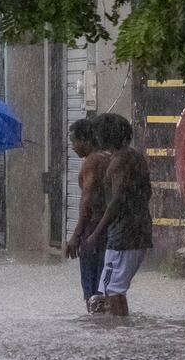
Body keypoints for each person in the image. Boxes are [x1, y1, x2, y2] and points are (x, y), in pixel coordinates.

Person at [82, 113, 153, 317]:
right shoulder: (135, 157)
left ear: (104, 135)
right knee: (113, 289)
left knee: (112, 289)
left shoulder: (119, 162)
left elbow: (116, 201)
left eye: (96, 133)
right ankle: (122, 335)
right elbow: (147, 192)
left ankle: (121, 336)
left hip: (123, 236)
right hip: (138, 230)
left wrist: (96, 234)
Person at [63, 118, 110, 310]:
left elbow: (88, 199)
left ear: (87, 140)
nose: (73, 146)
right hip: (107, 229)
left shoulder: (92, 162)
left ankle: (95, 325)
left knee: (92, 290)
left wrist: (76, 236)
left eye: (74, 141)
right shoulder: (108, 158)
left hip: (93, 231)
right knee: (104, 288)